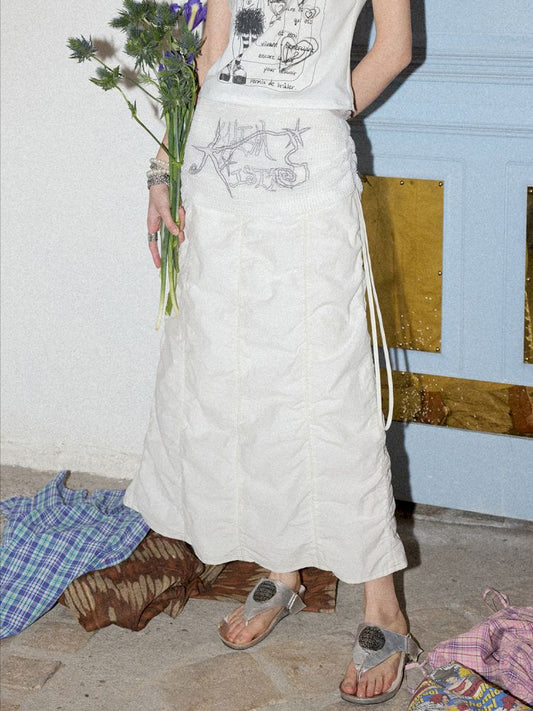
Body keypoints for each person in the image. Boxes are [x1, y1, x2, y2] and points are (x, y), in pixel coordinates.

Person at [124, 0, 417, 703]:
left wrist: (315, 108)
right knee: (237, 374)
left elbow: (394, 48)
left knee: (326, 384)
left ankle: (382, 602)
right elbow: (211, 55)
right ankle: (282, 565)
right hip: (216, 173)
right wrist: (163, 166)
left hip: (306, 175)